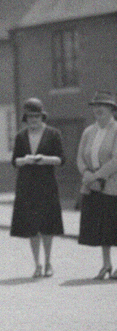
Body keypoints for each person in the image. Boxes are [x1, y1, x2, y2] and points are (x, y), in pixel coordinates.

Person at [10, 98, 65, 278]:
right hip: (27, 186)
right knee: (32, 226)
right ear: (26, 118)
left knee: (48, 226)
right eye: (30, 117)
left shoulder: (53, 134)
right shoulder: (20, 136)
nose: (33, 120)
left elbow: (61, 159)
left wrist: (44, 159)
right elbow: (14, 161)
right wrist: (25, 160)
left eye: (37, 117)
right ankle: (37, 264)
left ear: (43, 117)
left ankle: (49, 262)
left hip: (47, 184)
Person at [76, 91, 117, 280]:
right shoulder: (88, 131)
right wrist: (86, 174)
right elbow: (80, 157)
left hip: (112, 185)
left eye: (103, 106)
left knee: (114, 225)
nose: (98, 110)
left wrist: (96, 176)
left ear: (112, 110)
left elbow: (115, 161)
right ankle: (106, 264)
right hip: (93, 186)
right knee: (102, 228)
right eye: (95, 106)